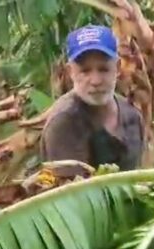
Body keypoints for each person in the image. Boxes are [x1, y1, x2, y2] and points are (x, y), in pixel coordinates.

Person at [40, 25, 144, 178]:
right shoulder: (65, 124)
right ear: (71, 72)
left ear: (117, 67)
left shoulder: (132, 116)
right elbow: (73, 195)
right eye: (85, 71)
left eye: (103, 69)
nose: (95, 81)